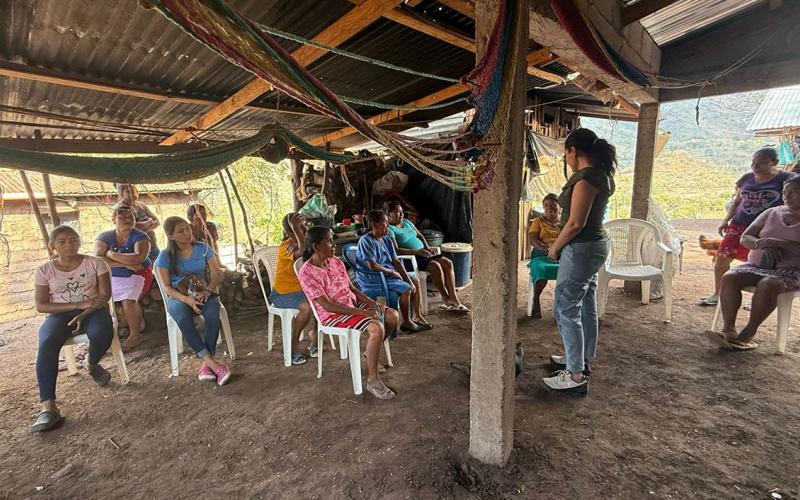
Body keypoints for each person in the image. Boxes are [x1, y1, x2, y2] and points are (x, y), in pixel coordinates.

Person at [542, 128, 616, 394]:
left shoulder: (586, 179)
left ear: (573, 151)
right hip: (594, 246)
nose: (566, 159)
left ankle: (575, 376)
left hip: (581, 248)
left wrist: (555, 247)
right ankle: (580, 359)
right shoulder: (602, 175)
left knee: (565, 307)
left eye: (566, 154)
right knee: (585, 304)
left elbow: (575, 223)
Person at [297, 227, 400, 400]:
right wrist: (363, 312)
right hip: (332, 314)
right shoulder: (307, 273)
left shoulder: (335, 262)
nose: (333, 245)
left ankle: (370, 353)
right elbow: (328, 306)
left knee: (392, 316)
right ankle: (373, 380)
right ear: (316, 246)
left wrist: (371, 303)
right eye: (329, 242)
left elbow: (351, 289)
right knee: (376, 327)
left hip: (351, 303)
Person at [31, 226, 114, 432]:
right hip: (59, 314)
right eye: (62, 241)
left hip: (93, 310)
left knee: (102, 331)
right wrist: (77, 306)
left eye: (73, 239)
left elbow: (104, 296)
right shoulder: (44, 270)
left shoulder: (96, 263)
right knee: (47, 342)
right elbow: (42, 305)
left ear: (79, 241)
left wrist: (84, 313)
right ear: (52, 245)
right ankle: (48, 407)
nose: (69, 244)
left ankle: (91, 363)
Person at [706, 175, 800, 350]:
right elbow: (745, 237)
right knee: (730, 277)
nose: (787, 196)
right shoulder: (771, 213)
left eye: (794, 192)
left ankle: (748, 334)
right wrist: (760, 244)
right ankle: (728, 331)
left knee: (769, 284)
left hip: (792, 271)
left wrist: (780, 243)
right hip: (757, 266)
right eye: (784, 192)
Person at [698, 148, 793, 306]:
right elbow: (737, 202)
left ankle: (757, 298)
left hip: (766, 228)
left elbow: (792, 199)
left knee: (763, 262)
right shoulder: (747, 178)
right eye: (753, 162)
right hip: (739, 225)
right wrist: (726, 220)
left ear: (774, 162)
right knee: (722, 257)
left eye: (762, 163)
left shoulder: (785, 179)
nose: (755, 166)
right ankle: (718, 293)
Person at [155, 216, 231, 385]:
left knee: (212, 314)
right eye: (180, 231)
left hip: (203, 292)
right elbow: (166, 287)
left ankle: (206, 365)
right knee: (182, 318)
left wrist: (208, 290)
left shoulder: (203, 249)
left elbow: (218, 274)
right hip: (178, 296)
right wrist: (186, 299)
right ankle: (213, 364)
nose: (187, 233)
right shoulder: (165, 256)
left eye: (187, 229)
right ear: (171, 236)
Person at [385, 201, 468, 312]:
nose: (401, 215)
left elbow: (420, 235)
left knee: (447, 263)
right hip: (410, 259)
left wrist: (428, 248)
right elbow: (396, 250)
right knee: (436, 266)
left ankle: (454, 298)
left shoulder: (407, 222)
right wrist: (417, 252)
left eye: (401, 212)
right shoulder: (390, 230)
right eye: (397, 212)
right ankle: (445, 298)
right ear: (389, 214)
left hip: (422, 254)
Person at [357, 209, 430, 333]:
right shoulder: (366, 241)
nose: (388, 225)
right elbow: (373, 266)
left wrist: (407, 279)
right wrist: (392, 273)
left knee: (414, 281)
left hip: (387, 275)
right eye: (385, 222)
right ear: (374, 225)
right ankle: (406, 322)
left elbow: (396, 261)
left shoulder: (386, 240)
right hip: (373, 278)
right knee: (406, 289)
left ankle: (416, 316)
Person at [95, 206, 151, 350]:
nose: (127, 219)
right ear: (113, 219)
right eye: (122, 217)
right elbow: (98, 260)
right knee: (99, 299)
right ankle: (103, 336)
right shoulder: (104, 237)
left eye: (130, 216)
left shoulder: (141, 236)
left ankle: (134, 335)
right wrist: (125, 264)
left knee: (128, 300)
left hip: (138, 273)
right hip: (113, 275)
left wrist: (111, 254)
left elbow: (139, 258)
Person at [271, 213, 316, 365]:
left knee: (321, 301)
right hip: (283, 293)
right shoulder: (285, 248)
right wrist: (297, 232)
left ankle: (314, 338)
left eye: (304, 227)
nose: (303, 231)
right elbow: (301, 253)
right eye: (298, 229)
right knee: (307, 308)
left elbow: (308, 252)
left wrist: (300, 236)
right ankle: (293, 347)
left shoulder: (308, 244)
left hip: (302, 290)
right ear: (288, 233)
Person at [527, 193, 562, 319]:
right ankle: (536, 298)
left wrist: (557, 251)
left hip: (560, 255)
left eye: (553, 205)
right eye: (546, 205)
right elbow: (533, 240)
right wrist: (547, 250)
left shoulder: (564, 223)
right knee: (541, 269)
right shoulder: (538, 222)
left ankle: (562, 305)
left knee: (570, 270)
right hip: (541, 254)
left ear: (559, 208)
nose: (549, 208)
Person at [114, 183, 160, 260]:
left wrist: (145, 231)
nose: (132, 193)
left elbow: (157, 221)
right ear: (121, 193)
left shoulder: (141, 205)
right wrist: (148, 222)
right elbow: (132, 227)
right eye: (128, 191)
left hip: (152, 243)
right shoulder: (120, 208)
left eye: (134, 190)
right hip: (136, 246)